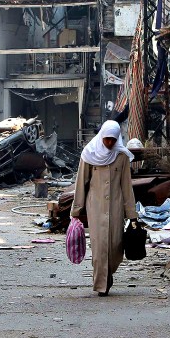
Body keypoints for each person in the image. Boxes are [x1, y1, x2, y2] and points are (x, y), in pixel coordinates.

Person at [69, 121, 137, 296]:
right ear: (101, 137)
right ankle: (101, 284)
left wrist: (132, 214)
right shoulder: (89, 155)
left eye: (112, 140)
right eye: (106, 139)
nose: (109, 144)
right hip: (96, 207)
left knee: (115, 246)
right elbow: (81, 183)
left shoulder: (121, 157)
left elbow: (127, 186)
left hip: (115, 207)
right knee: (99, 248)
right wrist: (76, 212)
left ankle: (109, 273)